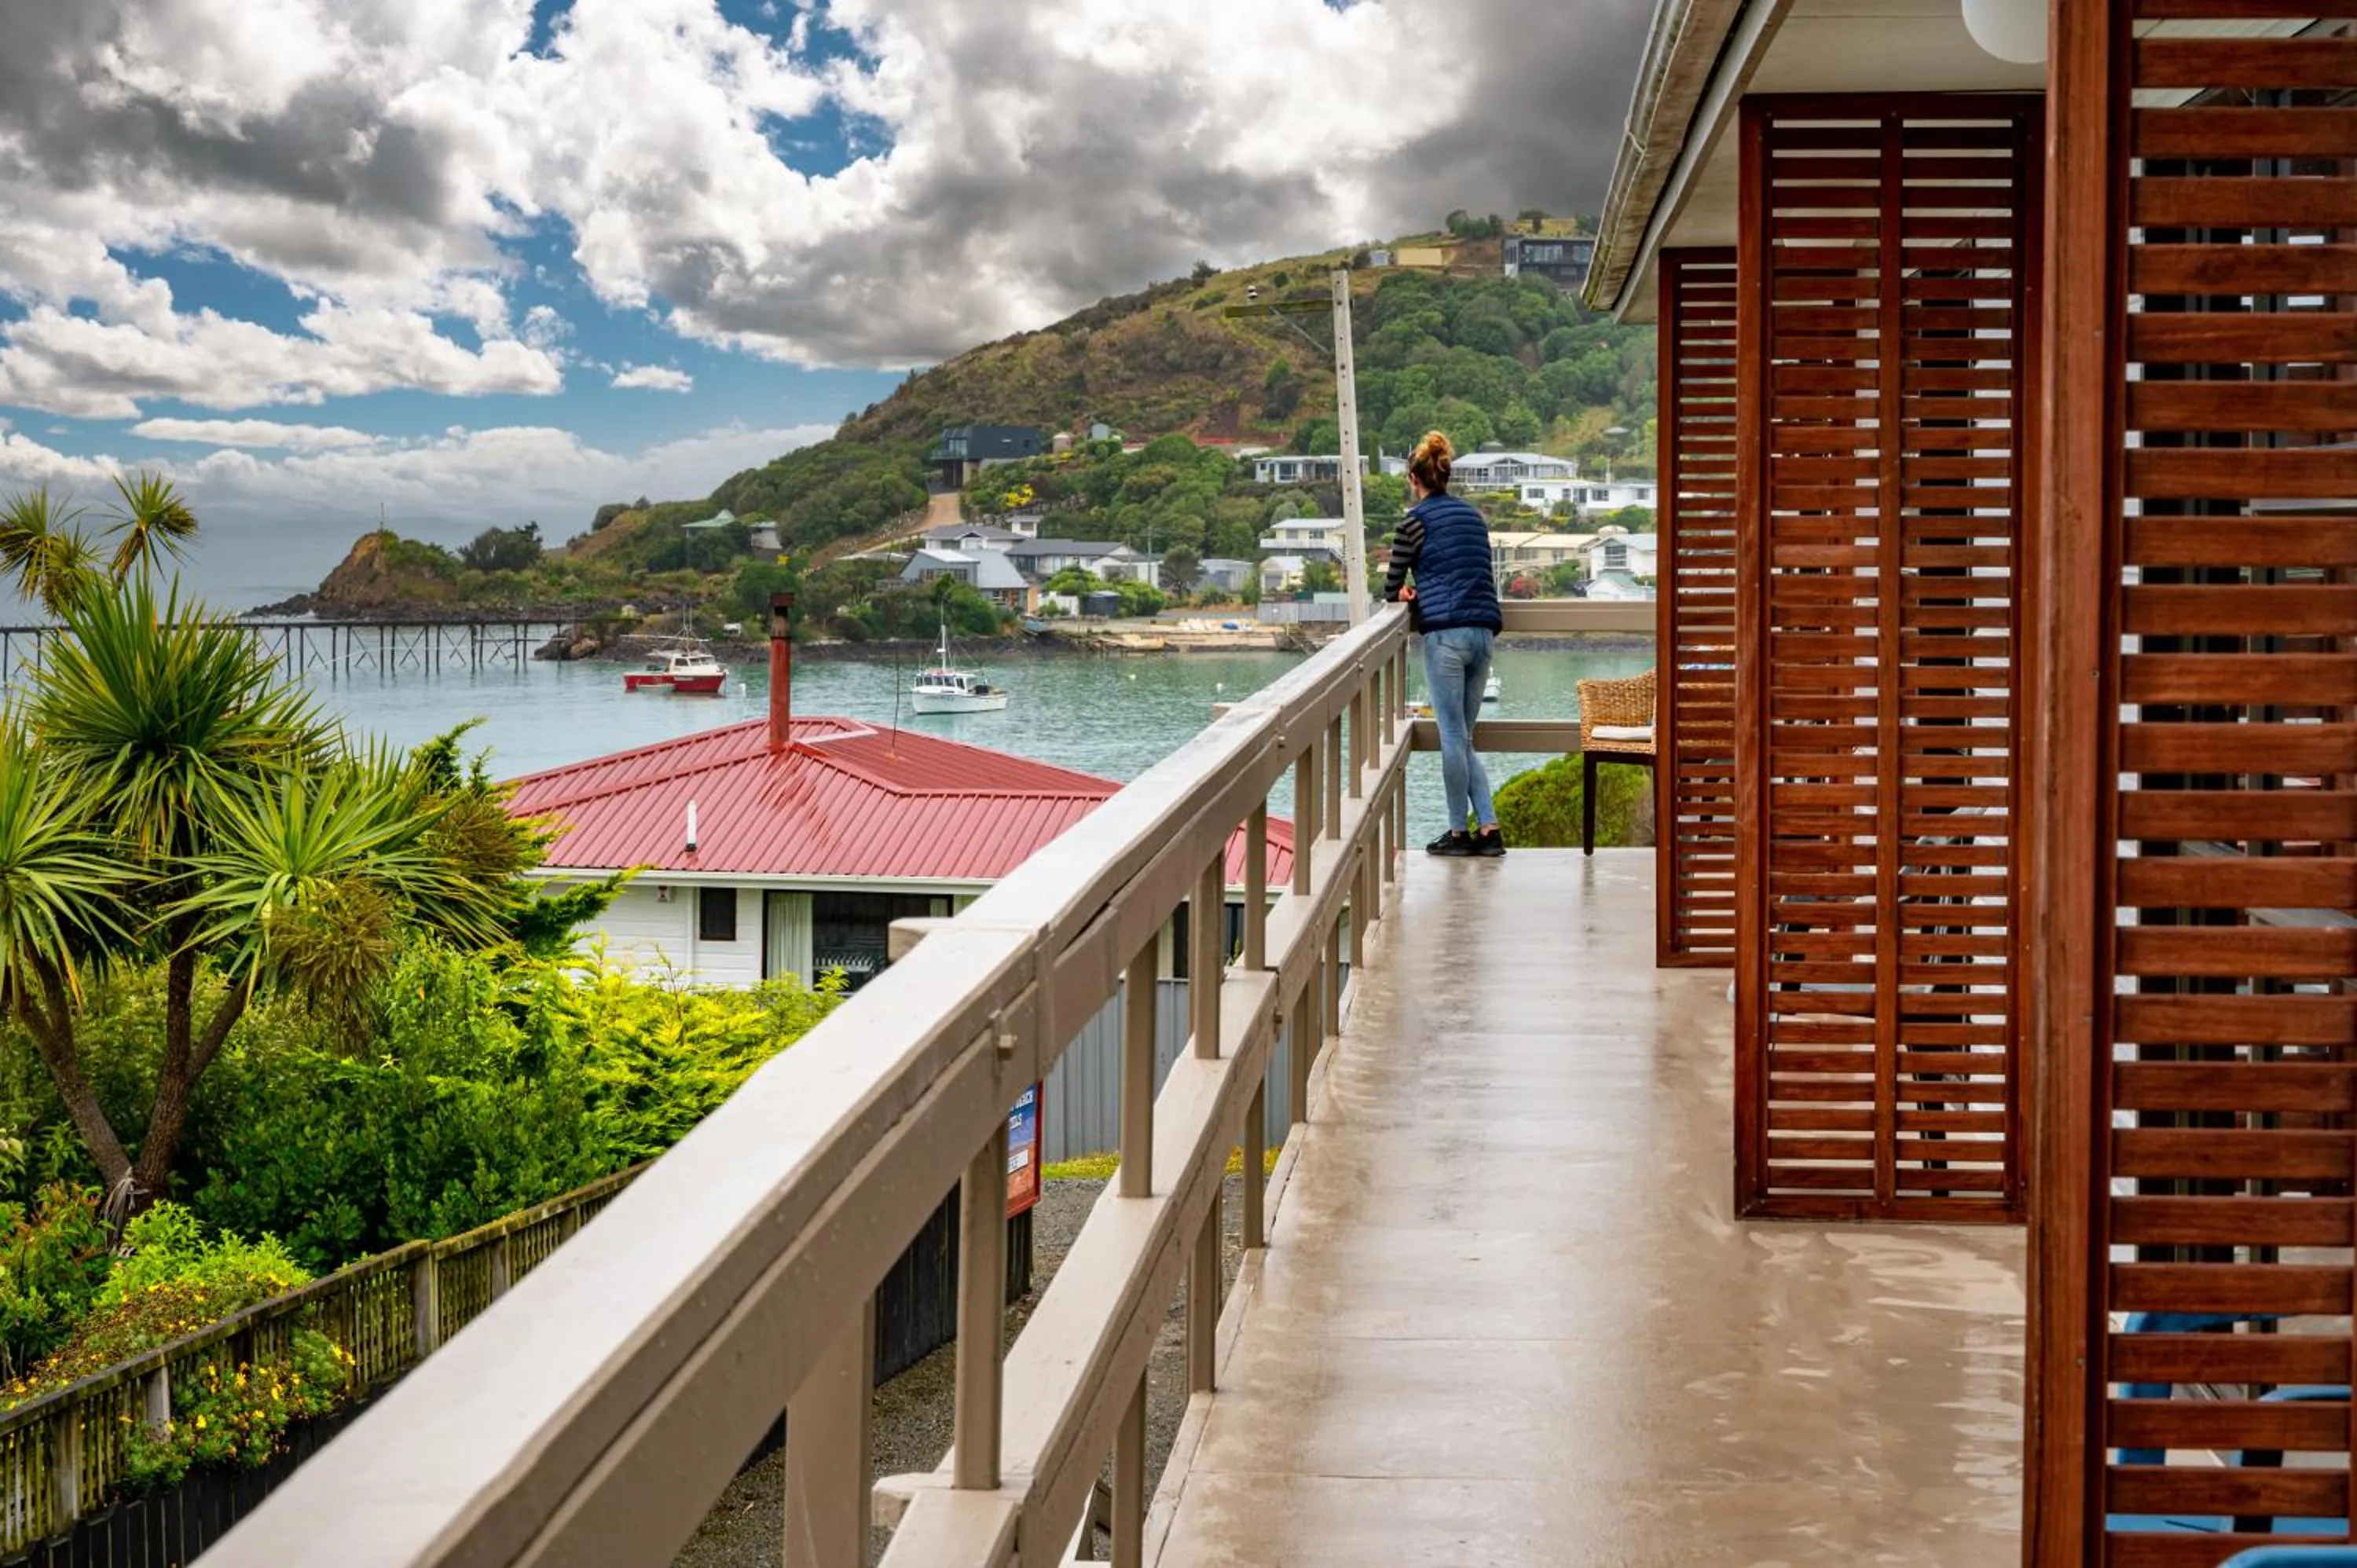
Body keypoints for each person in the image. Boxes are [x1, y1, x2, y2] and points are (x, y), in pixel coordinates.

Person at [1384, 430, 1505, 858]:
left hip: (1446, 635)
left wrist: (1404, 595)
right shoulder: (1473, 517)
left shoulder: (1412, 522)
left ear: (1415, 481)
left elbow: (1391, 585)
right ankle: (1489, 830)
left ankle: (1458, 834)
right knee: (1464, 737)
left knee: (1453, 736)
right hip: (1484, 633)